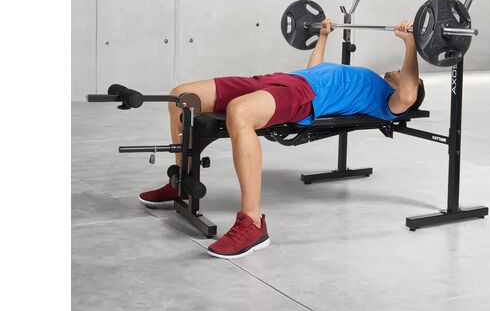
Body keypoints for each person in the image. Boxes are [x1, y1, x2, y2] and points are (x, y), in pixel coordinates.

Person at [139, 20, 425, 259]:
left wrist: (411, 43)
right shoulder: (369, 79)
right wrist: (323, 37)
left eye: (406, 75)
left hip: (302, 96)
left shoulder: (386, 101)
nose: (400, 71)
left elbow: (408, 96)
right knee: (181, 96)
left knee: (240, 112)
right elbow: (314, 69)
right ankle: (182, 185)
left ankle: (252, 223)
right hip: (284, 80)